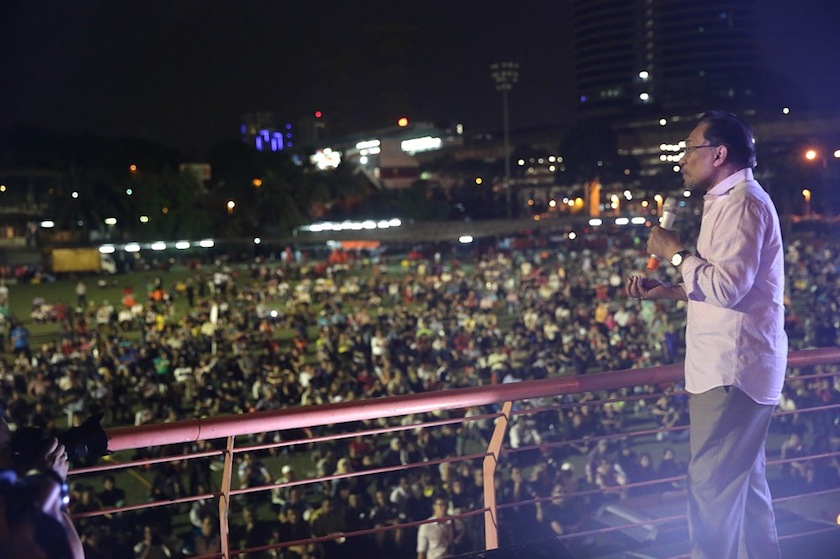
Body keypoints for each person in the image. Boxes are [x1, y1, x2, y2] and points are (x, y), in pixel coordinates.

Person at [626, 111, 786, 559]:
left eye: (689, 149)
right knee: (745, 496)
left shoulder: (743, 205)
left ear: (719, 153)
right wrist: (669, 288)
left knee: (711, 494)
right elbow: (722, 286)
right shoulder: (728, 201)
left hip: (731, 372)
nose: (682, 160)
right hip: (733, 370)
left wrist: (675, 253)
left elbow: (726, 288)